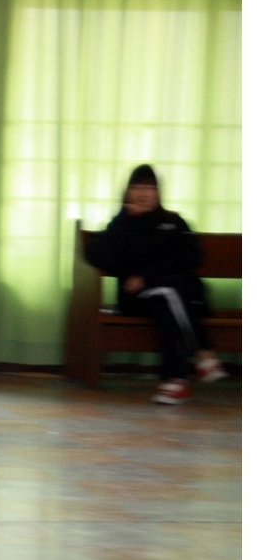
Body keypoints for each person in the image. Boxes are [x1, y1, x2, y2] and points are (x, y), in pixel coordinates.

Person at [83, 164, 227, 405]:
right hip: (136, 298)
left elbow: (193, 257)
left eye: (150, 187)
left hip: (177, 297)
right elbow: (95, 254)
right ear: (128, 191)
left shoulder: (173, 222)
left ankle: (174, 383)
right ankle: (204, 353)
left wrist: (146, 276)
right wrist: (123, 219)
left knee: (166, 299)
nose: (143, 192)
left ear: (158, 192)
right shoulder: (122, 224)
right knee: (171, 289)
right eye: (137, 186)